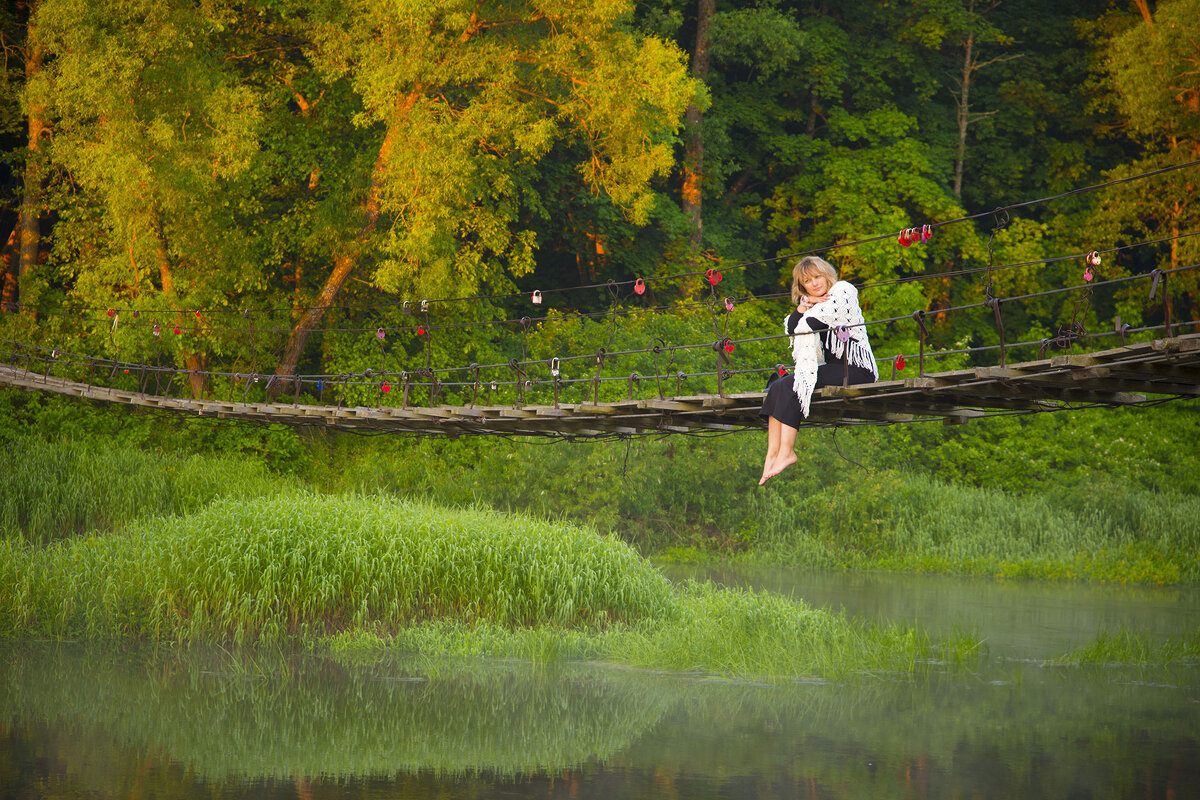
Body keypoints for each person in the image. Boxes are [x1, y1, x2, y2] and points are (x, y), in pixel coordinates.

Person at [758, 256, 878, 485]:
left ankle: (787, 452)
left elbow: (810, 324)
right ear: (802, 287)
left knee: (792, 383)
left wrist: (809, 306)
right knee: (777, 386)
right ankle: (772, 454)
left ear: (827, 275)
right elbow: (792, 328)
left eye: (817, 277)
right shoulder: (812, 306)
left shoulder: (843, 291)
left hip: (855, 369)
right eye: (807, 281)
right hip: (833, 369)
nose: (814, 283)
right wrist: (802, 307)